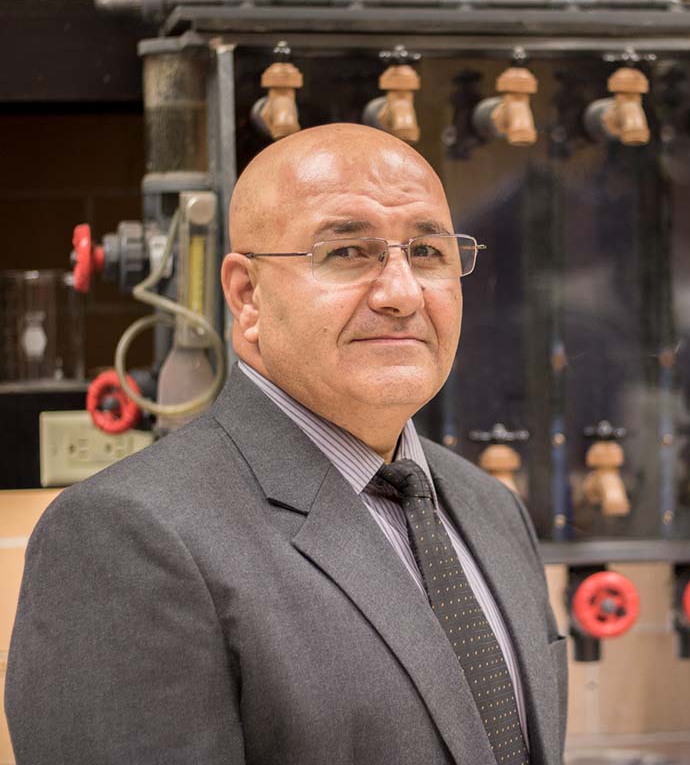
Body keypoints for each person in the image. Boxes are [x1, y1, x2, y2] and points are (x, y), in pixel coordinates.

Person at [6, 123, 567, 765]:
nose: (402, 292)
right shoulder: (126, 536)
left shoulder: (491, 508)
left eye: (428, 253)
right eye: (348, 252)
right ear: (248, 297)